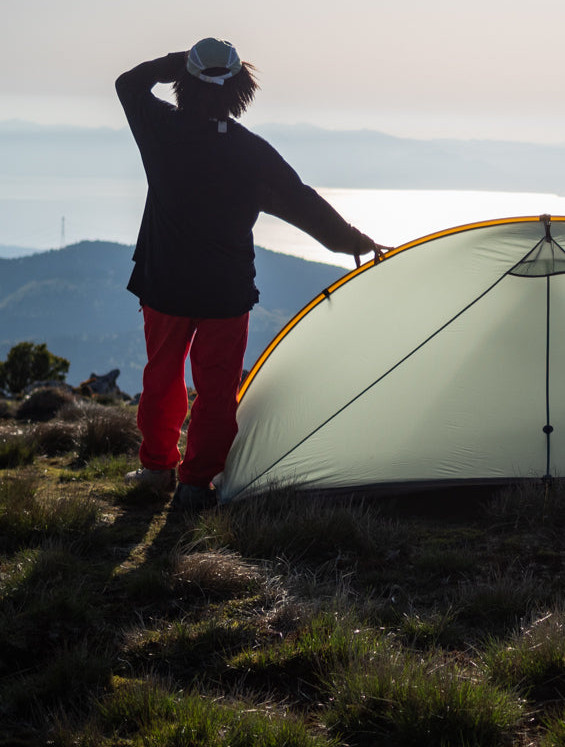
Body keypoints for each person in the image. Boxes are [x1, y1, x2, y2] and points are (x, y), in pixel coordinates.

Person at [116, 38, 385, 510]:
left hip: (164, 283)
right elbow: (304, 204)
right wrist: (354, 242)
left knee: (162, 379)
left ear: (185, 82)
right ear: (240, 87)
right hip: (225, 291)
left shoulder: (159, 130)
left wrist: (179, 62)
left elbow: (129, 83)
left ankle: (157, 469)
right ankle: (196, 485)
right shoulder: (252, 153)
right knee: (217, 391)